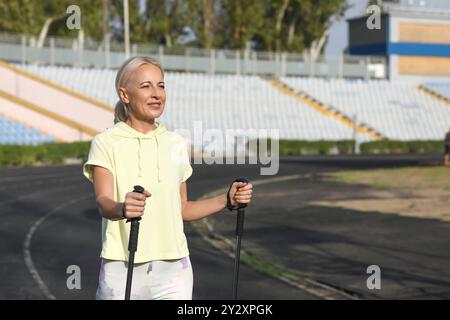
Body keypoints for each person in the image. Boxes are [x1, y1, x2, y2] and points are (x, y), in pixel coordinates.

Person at [82, 56, 253, 300]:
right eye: (146, 86)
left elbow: (182, 209)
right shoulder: (105, 142)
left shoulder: (176, 143)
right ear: (125, 94)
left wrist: (228, 199)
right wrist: (122, 207)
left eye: (161, 85)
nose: (156, 93)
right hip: (122, 268)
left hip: (174, 271)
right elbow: (103, 202)